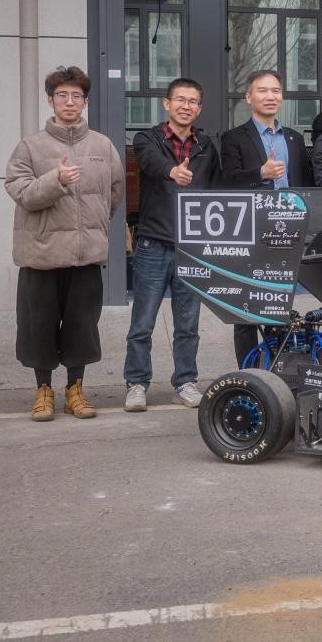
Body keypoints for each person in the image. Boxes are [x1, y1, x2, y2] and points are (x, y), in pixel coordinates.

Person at [4, 66, 124, 422]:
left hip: (85, 256)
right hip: (41, 255)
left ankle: (75, 390)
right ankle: (43, 390)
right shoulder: (30, 146)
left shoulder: (102, 146)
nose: (69, 101)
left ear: (85, 102)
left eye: (76, 96)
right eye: (62, 95)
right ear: (50, 100)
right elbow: (21, 192)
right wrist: (55, 181)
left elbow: (114, 193)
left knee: (81, 327)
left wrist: (95, 224)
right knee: (37, 327)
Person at [123, 78, 220, 412]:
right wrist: (172, 172)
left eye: (192, 101)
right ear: (167, 104)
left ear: (199, 109)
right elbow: (150, 162)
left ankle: (185, 382)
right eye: (180, 99)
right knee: (142, 323)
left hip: (192, 246)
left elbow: (218, 189)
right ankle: (136, 383)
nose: (186, 106)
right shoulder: (146, 139)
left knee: (188, 324)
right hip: (154, 243)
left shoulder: (206, 146)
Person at [219, 69, 313, 364]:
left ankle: (278, 369)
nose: (270, 96)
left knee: (279, 307)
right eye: (262, 90)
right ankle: (249, 372)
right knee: (245, 312)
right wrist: (260, 172)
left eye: (276, 90)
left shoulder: (294, 139)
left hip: (288, 234)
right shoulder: (234, 138)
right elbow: (227, 182)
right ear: (249, 97)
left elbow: (306, 186)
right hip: (251, 233)